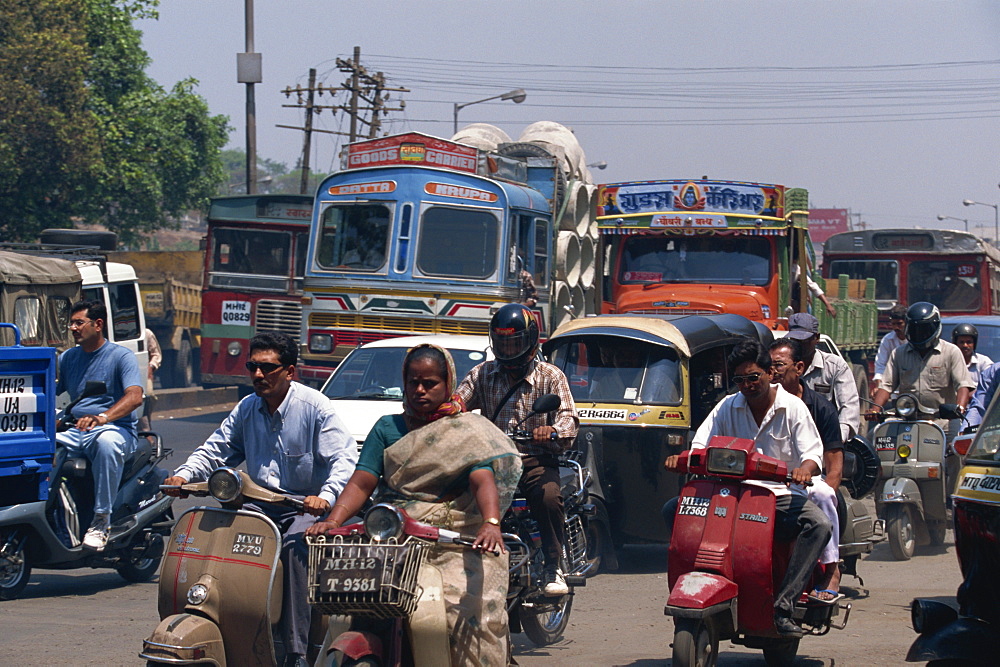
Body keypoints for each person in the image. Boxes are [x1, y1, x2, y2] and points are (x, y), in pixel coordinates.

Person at [307, 344, 521, 666]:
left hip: (454, 538)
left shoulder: (467, 430)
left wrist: (491, 523)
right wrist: (334, 520)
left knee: (469, 613)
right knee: (348, 602)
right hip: (393, 535)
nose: (420, 390)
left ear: (448, 383)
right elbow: (363, 481)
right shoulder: (387, 427)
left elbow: (481, 478)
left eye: (430, 383)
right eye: (412, 382)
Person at [162, 332, 358, 667]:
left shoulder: (315, 408)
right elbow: (215, 450)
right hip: (255, 506)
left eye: (267, 368)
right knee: (216, 535)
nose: (257, 375)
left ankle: (296, 652)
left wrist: (323, 498)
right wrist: (184, 475)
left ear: (290, 372)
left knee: (298, 547)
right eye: (253, 366)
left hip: (300, 508)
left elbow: (344, 459)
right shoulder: (247, 408)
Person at [663, 339, 831, 638]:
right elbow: (701, 444)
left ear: (770, 374)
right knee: (672, 511)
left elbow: (813, 455)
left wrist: (804, 470)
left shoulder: (793, 408)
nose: (747, 385)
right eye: (740, 379)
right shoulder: (727, 406)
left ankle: (784, 605)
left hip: (777, 495)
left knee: (817, 524)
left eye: (753, 377)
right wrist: (682, 459)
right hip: (728, 494)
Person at [456, 303, 579, 597]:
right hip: (493, 464)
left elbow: (569, 419)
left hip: (533, 461)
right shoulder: (482, 374)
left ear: (530, 341)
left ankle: (553, 565)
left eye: (514, 343)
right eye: (502, 344)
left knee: (548, 497)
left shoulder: (550, 376)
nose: (509, 351)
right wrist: (448, 411)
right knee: (457, 498)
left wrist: (551, 431)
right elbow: (458, 401)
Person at [56, 300, 144, 551]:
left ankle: (100, 521)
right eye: (71, 323)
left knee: (106, 445)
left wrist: (102, 417)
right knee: (40, 448)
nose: (73, 328)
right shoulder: (69, 357)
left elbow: (135, 396)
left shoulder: (120, 356)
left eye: (78, 322)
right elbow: (50, 388)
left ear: (98, 324)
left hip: (114, 429)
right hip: (76, 431)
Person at [769, 337, 844, 600]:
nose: (773, 372)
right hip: (767, 479)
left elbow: (834, 467)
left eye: (779, 365)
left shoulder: (821, 408)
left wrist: (823, 494)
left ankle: (832, 571)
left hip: (807, 480)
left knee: (823, 496)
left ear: (799, 368)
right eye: (769, 366)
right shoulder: (759, 403)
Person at [869, 302, 974, 437]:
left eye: (923, 330)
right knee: (874, 439)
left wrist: (959, 409)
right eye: (915, 329)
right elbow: (886, 385)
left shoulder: (951, 352)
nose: (919, 334)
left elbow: (963, 385)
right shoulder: (899, 353)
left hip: (943, 420)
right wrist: (875, 410)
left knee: (955, 450)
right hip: (906, 418)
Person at [788, 312, 862, 443]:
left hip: (825, 438)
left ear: (816, 338)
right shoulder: (781, 367)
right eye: (795, 341)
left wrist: (836, 439)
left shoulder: (835, 366)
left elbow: (848, 408)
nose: (799, 345)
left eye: (804, 340)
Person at [872, 304, 908, 390]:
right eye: (893, 324)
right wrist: (878, 386)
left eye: (899, 324)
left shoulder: (915, 339)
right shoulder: (887, 340)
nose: (896, 327)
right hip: (895, 388)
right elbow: (881, 364)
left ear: (906, 322)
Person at [136, 328, 161, 435]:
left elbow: (156, 354)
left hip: (143, 372)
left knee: (147, 396)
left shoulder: (146, 333)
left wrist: (151, 367)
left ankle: (146, 429)